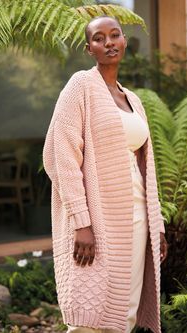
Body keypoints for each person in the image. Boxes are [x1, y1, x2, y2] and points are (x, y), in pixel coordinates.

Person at [43, 15, 168, 333]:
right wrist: (81, 222)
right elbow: (61, 157)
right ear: (89, 48)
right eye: (99, 38)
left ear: (125, 42)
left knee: (125, 309)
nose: (109, 42)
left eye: (115, 35)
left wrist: (158, 225)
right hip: (97, 217)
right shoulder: (80, 87)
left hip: (137, 216)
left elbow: (145, 168)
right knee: (88, 312)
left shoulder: (134, 100)